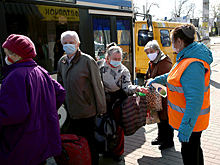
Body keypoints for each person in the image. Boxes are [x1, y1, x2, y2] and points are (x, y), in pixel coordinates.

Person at [147, 24, 213, 165]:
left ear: (179, 41)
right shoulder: (185, 58)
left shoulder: (193, 64)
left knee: (190, 156)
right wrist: (156, 80)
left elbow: (195, 100)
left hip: (191, 122)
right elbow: (173, 75)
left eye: (171, 41)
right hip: (188, 120)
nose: (171, 45)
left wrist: (186, 128)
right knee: (194, 151)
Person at [0, 34, 66, 165]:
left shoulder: (14, 76)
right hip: (41, 138)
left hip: (23, 141)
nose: (6, 58)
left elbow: (13, 114)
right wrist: (46, 112)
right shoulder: (41, 71)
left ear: (18, 55)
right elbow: (60, 93)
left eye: (8, 54)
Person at [57, 31, 106, 165]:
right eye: (65, 43)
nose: (68, 45)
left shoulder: (87, 61)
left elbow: (97, 85)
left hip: (86, 111)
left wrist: (101, 108)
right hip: (70, 111)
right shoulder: (62, 61)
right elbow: (60, 85)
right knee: (75, 143)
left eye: (71, 42)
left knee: (90, 142)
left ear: (78, 44)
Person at [97, 43, 148, 161]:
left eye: (119, 59)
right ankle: (106, 149)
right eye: (115, 59)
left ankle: (117, 152)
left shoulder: (123, 70)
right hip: (101, 100)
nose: (117, 61)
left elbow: (127, 87)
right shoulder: (99, 65)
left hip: (117, 101)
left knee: (118, 128)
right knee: (102, 125)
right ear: (107, 57)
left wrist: (137, 88)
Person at [144, 40, 174, 150]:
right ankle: (160, 137)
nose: (149, 54)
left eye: (151, 51)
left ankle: (168, 141)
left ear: (157, 51)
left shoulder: (164, 61)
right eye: (147, 52)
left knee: (165, 119)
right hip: (156, 95)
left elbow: (164, 79)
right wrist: (147, 81)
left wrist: (152, 81)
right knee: (159, 118)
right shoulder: (152, 62)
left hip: (164, 94)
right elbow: (147, 75)